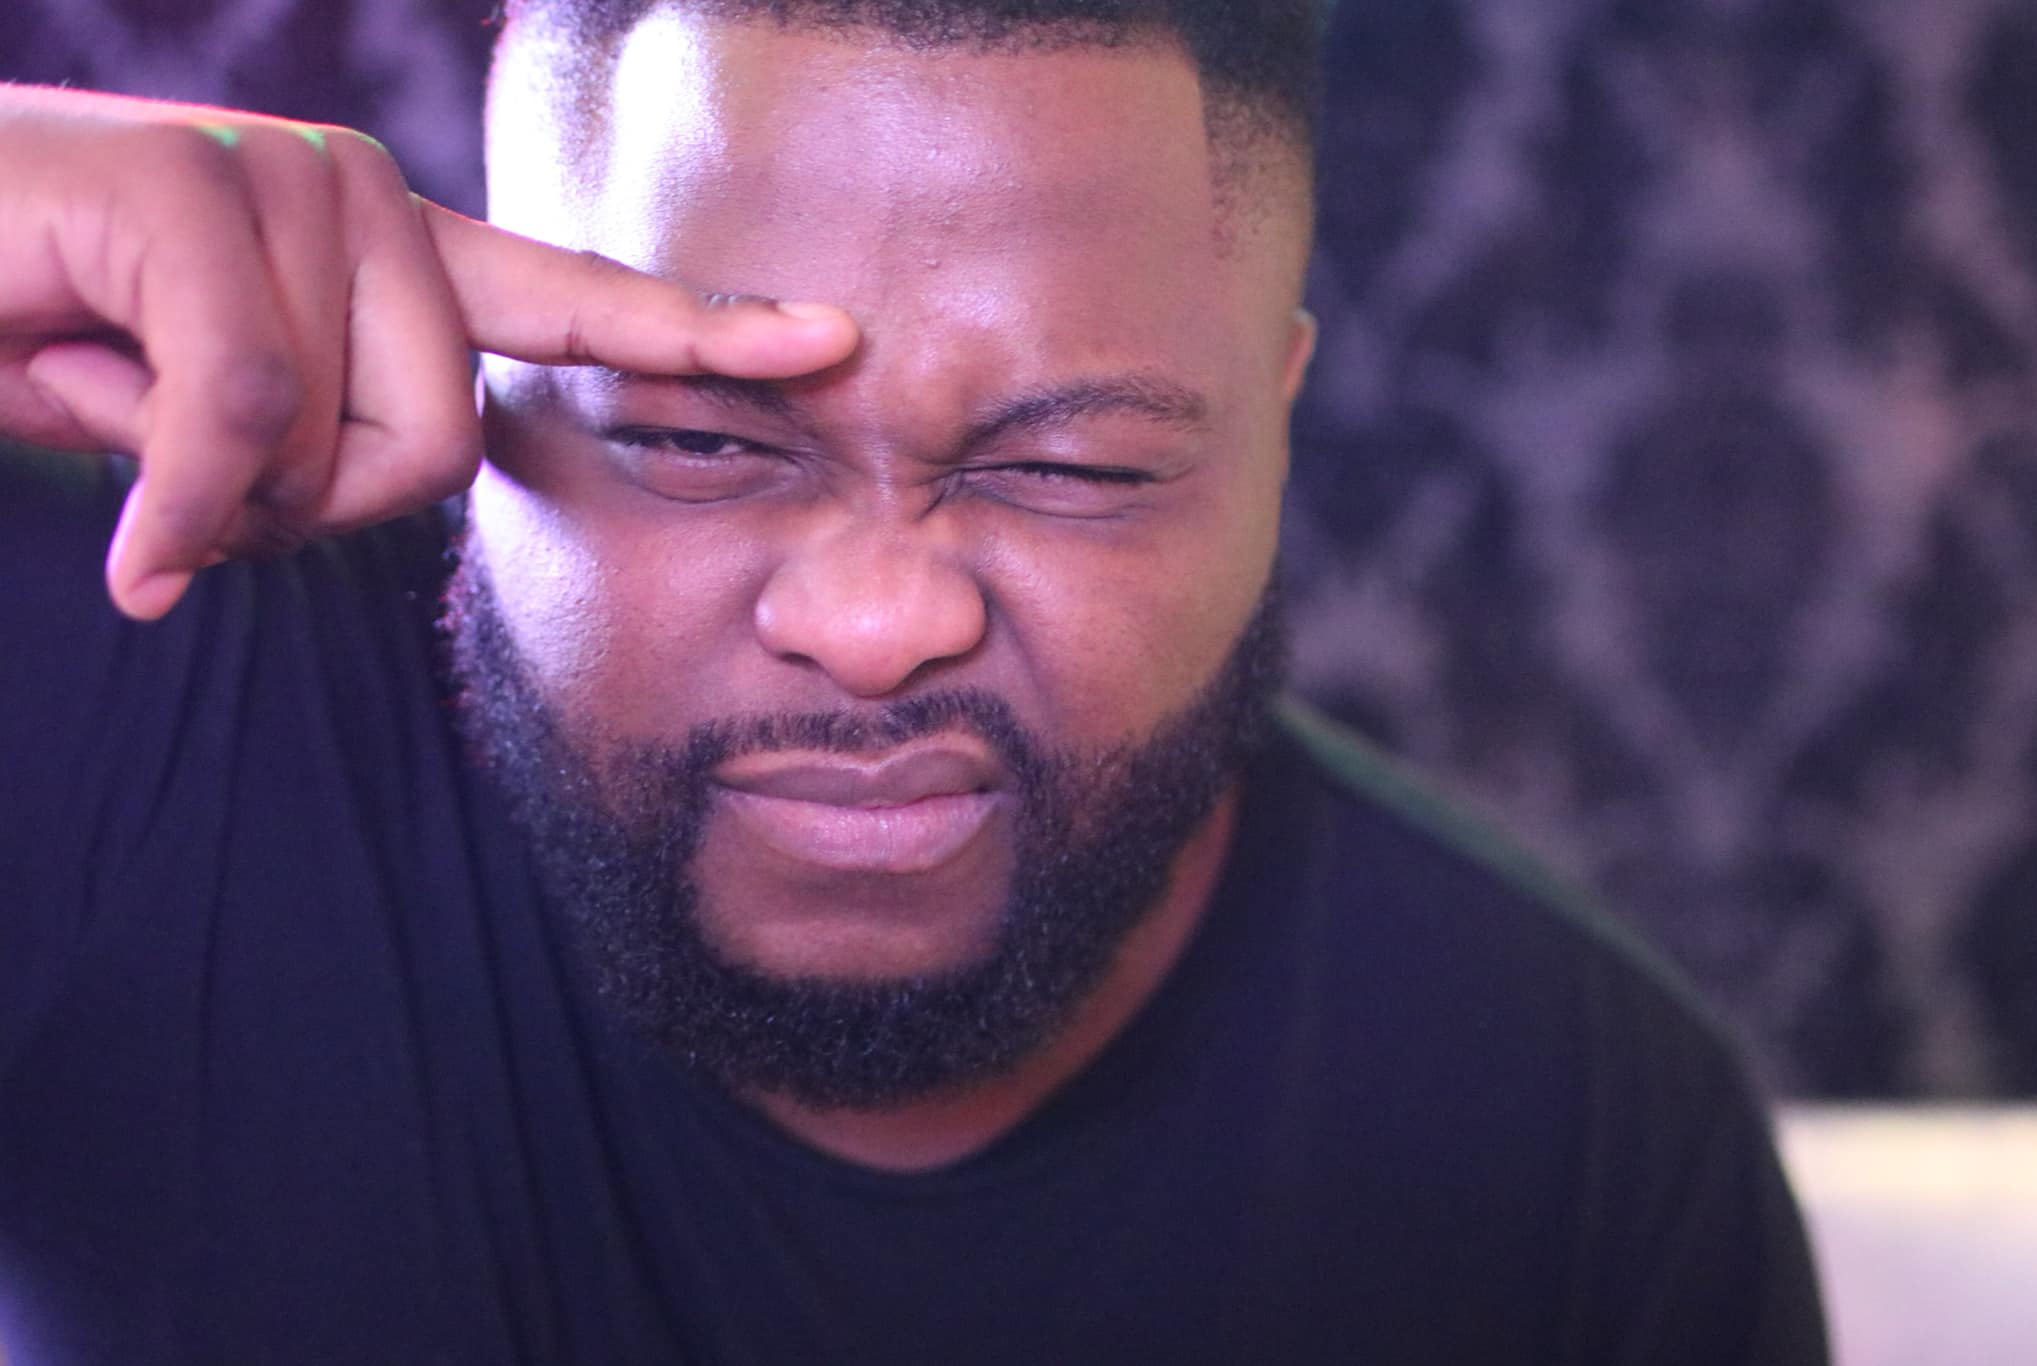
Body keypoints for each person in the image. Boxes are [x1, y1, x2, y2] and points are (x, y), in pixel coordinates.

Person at [0, 1, 1828, 1361]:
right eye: (700, 441)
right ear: (488, 361)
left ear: (1276, 429)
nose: (876, 626)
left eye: (1078, 467)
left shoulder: (1583, 1148)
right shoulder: (114, 690)